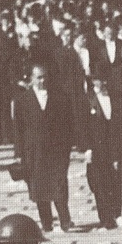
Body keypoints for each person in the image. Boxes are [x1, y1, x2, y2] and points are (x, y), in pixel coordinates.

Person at [14, 61, 76, 233]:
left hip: (56, 149)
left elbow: (68, 123)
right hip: (34, 151)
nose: (42, 81)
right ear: (31, 79)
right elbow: (18, 128)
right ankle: (46, 222)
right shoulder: (23, 100)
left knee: (59, 184)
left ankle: (65, 220)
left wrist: (68, 147)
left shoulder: (59, 97)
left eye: (45, 77)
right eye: (39, 78)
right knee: (39, 186)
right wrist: (18, 153)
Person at [81, 74, 122, 231]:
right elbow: (83, 126)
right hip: (97, 147)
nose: (102, 83)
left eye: (104, 80)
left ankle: (118, 213)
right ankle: (106, 218)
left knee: (116, 180)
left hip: (114, 146)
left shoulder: (114, 96)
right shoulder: (88, 100)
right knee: (100, 183)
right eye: (98, 80)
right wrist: (87, 148)